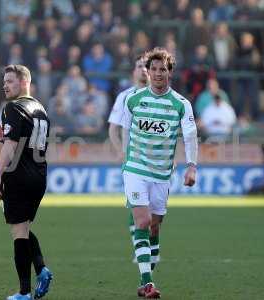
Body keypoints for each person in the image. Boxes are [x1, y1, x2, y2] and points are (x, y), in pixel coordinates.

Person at [121, 47, 198, 298]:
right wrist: (125, 158)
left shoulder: (181, 105)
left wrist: (191, 166)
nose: (156, 73)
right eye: (152, 69)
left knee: (154, 227)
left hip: (162, 174)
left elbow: (190, 136)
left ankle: (147, 271)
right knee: (142, 222)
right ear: (148, 71)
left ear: (169, 72)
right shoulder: (133, 99)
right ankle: (147, 283)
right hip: (136, 169)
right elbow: (125, 130)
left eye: (162, 69)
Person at [0, 64, 53, 300]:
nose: (5, 85)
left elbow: (13, 146)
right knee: (23, 227)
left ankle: (24, 292)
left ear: (24, 82)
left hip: (18, 175)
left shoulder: (12, 107)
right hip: (39, 176)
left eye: (10, 81)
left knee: (18, 232)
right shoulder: (40, 108)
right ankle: (42, 269)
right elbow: (29, 143)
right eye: (4, 82)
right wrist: (5, 139)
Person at [107, 54, 150, 277]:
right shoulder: (125, 97)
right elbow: (113, 129)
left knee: (154, 210)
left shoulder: (160, 96)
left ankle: (151, 247)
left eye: (146, 66)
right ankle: (142, 250)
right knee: (135, 206)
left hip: (155, 161)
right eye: (139, 66)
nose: (143, 69)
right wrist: (121, 152)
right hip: (133, 161)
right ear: (133, 71)